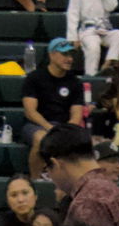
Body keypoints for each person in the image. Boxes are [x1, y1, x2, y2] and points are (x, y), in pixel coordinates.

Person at [20, 39, 85, 178]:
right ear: (52, 55)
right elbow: (30, 112)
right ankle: (35, 180)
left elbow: (76, 114)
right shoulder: (34, 78)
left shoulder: (75, 82)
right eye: (64, 54)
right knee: (41, 139)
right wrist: (49, 128)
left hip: (63, 126)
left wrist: (65, 130)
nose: (69, 59)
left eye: (70, 55)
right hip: (36, 125)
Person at [66, 0, 119, 77]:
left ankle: (109, 62)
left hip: (105, 28)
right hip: (88, 30)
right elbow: (72, 15)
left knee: (118, 34)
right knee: (93, 46)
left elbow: (111, 6)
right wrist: (73, 37)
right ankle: (91, 75)